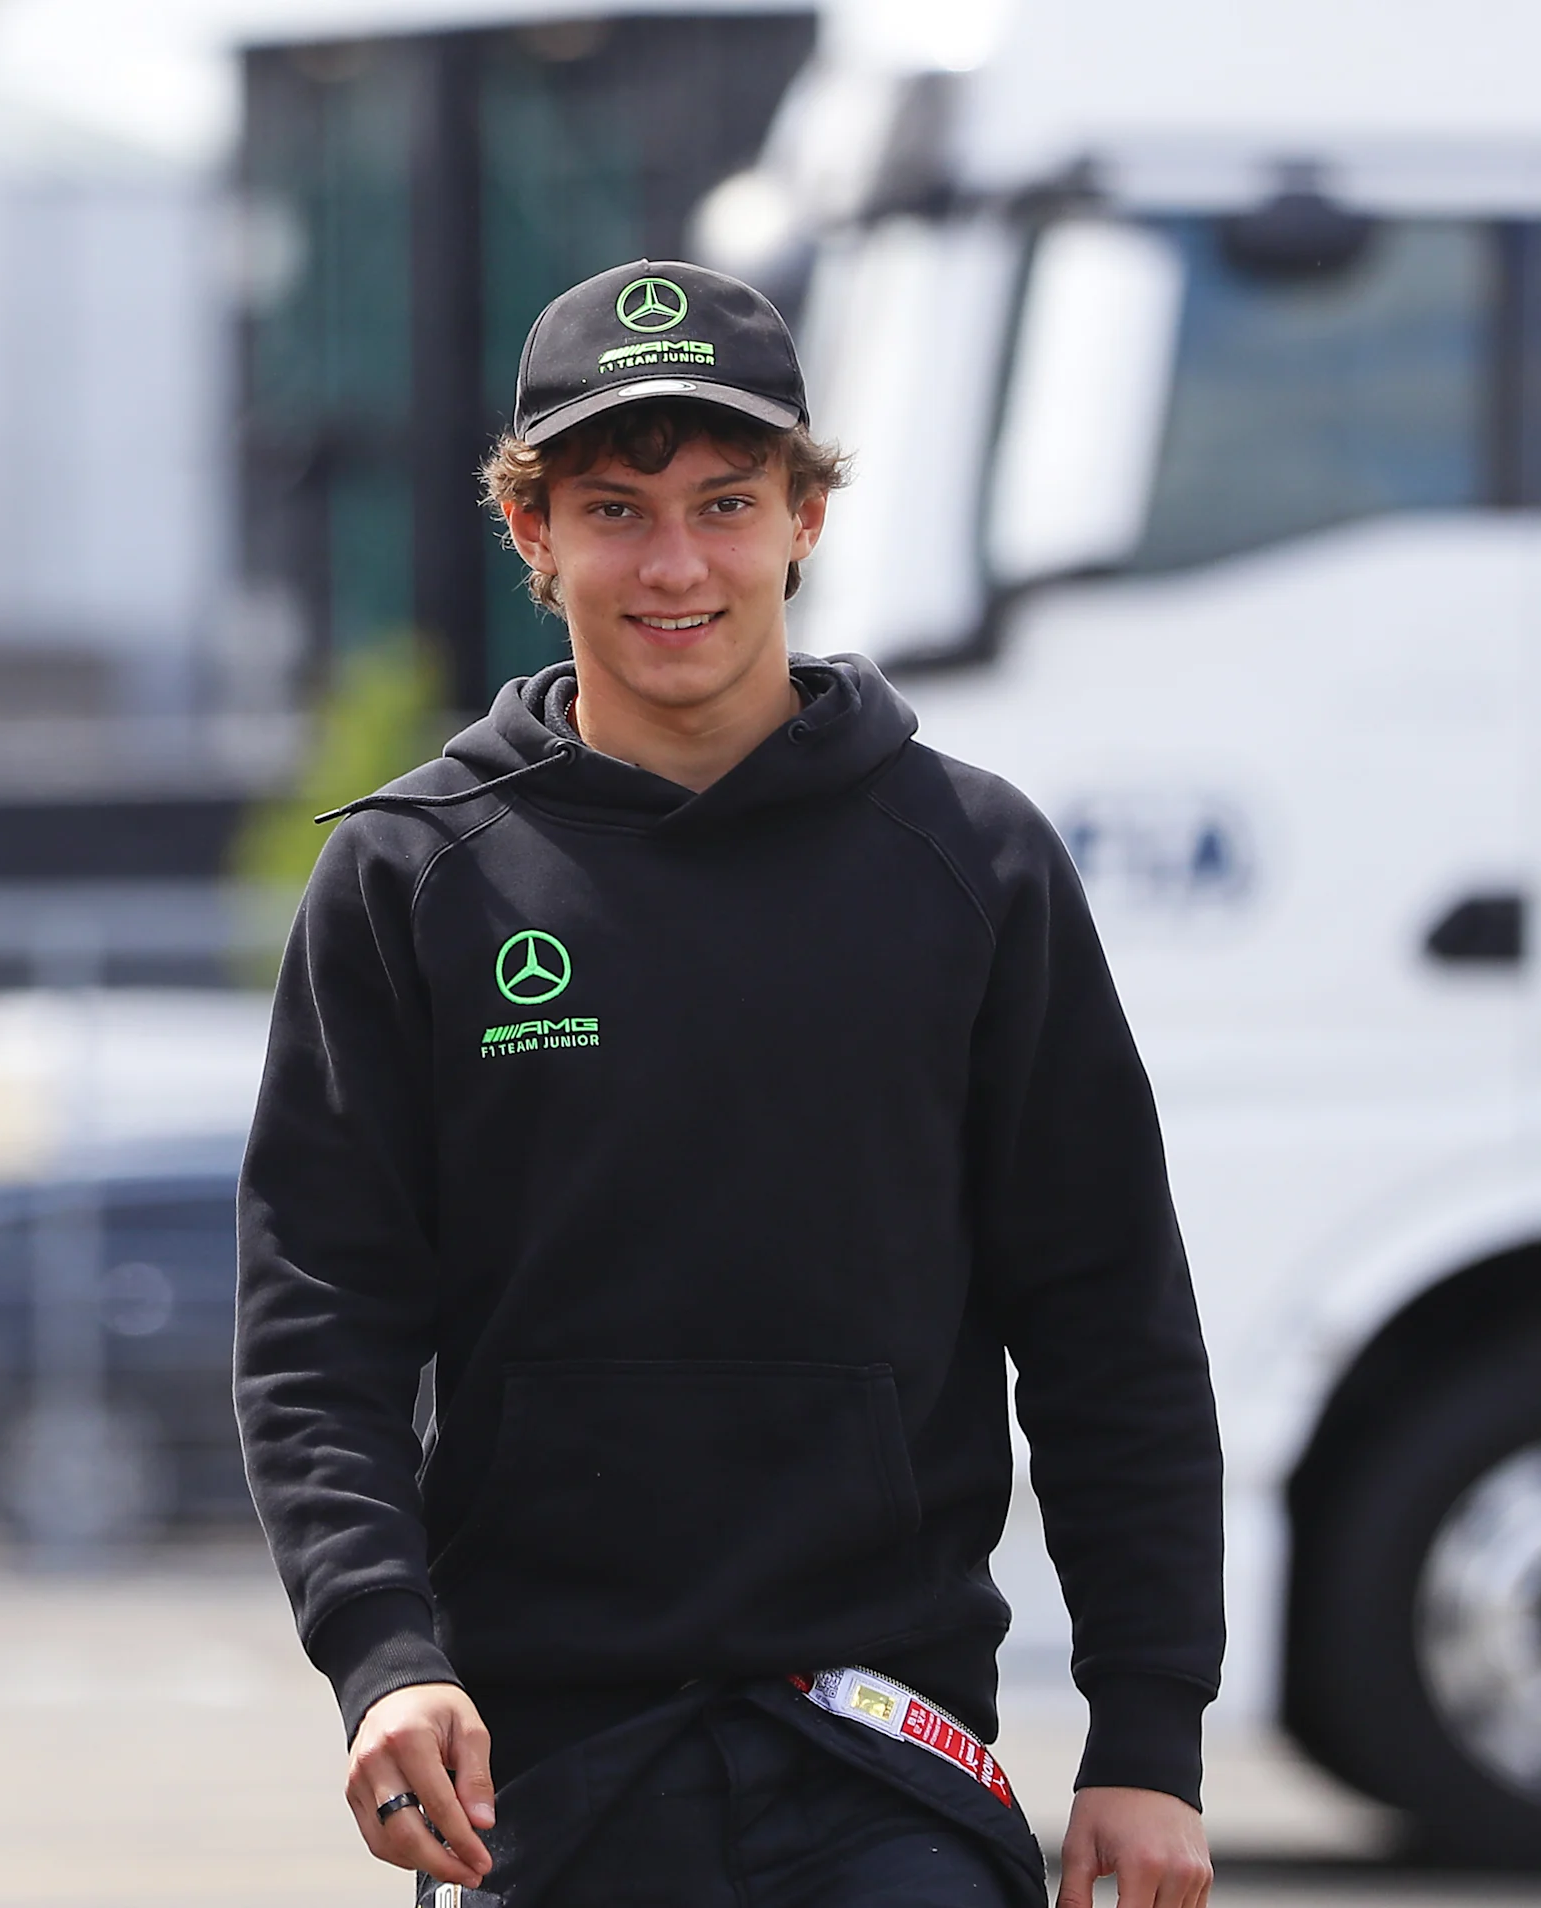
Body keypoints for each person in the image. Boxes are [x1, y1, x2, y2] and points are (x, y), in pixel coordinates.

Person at [232, 259, 1225, 1908]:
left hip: (884, 1753)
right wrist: (382, 1651)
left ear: (802, 522)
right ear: (532, 535)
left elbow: (1106, 1320)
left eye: (725, 501)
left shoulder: (973, 862)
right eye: (614, 509)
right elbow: (315, 1329)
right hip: (539, 1776)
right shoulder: (412, 877)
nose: (674, 562)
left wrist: (1145, 1733)